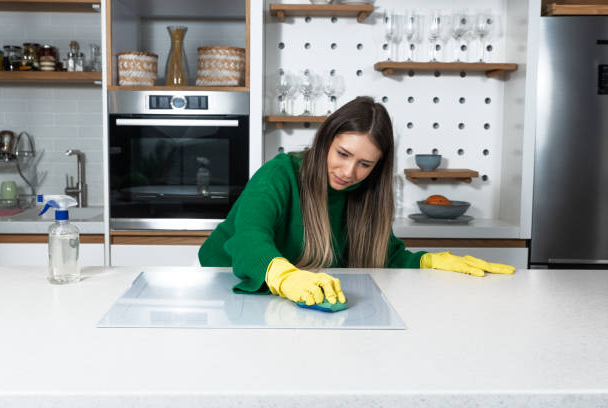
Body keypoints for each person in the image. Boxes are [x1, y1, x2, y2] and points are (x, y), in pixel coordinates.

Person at [199, 96, 515, 307]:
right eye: (343, 154)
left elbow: (386, 259)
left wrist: (429, 262)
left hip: (288, 302)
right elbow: (249, 239)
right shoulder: (279, 175)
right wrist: (285, 276)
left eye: (365, 164)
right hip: (229, 290)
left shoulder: (364, 195)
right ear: (325, 141)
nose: (349, 172)